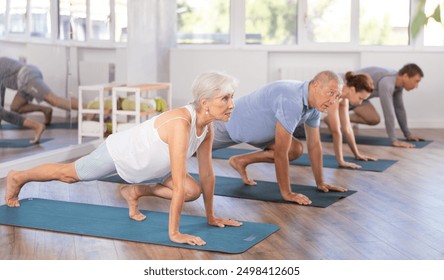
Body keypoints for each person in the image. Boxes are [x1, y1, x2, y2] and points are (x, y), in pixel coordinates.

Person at [6, 71, 242, 246]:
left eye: (232, 98)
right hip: (121, 154)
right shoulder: (180, 124)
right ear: (205, 103)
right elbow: (178, 182)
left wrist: (211, 217)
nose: (231, 105)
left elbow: (208, 174)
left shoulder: (207, 128)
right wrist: (174, 233)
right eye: (225, 99)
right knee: (69, 175)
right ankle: (19, 177)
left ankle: (134, 191)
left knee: (193, 191)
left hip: (155, 167)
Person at [212, 70, 348, 206]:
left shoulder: (314, 107)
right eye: (331, 93)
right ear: (316, 85)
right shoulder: (292, 100)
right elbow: (280, 152)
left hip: (254, 131)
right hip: (228, 123)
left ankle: (240, 161)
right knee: (192, 148)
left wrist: (321, 182)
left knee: (295, 149)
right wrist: (287, 193)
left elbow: (314, 144)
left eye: (337, 96)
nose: (333, 101)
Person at [296, 72, 378, 169]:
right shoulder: (336, 94)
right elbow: (336, 131)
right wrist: (341, 161)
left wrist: (357, 154)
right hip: (298, 122)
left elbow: (347, 129)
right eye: (360, 98)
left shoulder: (344, 98)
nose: (360, 103)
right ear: (352, 89)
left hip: (306, 120)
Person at [349, 64, 425, 148]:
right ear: (405, 76)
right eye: (416, 81)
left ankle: (338, 118)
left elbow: (399, 109)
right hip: (347, 94)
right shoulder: (387, 82)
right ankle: (335, 118)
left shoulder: (398, 86)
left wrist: (408, 135)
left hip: (360, 98)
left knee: (374, 119)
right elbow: (388, 112)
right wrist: (394, 140)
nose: (416, 86)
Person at [0, 56, 79, 125]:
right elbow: (2, 91)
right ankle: (46, 110)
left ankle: (87, 107)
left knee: (54, 100)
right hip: (23, 80)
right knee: (15, 107)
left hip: (26, 77)